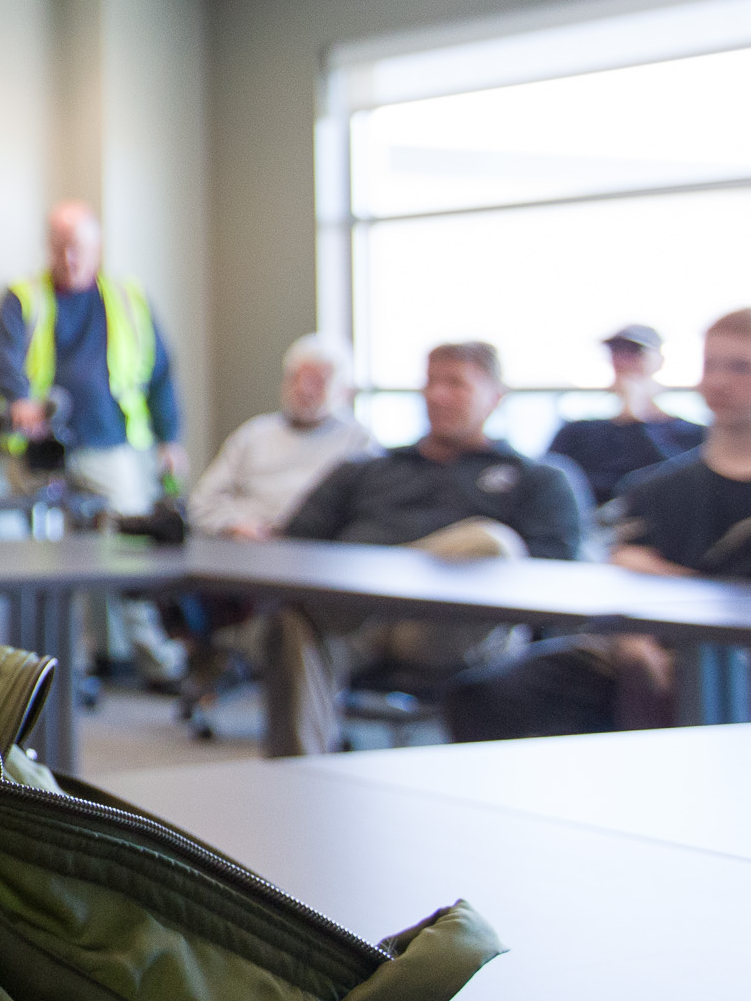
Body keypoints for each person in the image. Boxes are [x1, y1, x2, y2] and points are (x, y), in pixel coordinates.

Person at [257, 341, 585, 757]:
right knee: (292, 620)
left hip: (451, 628)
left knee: (490, 542)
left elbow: (552, 579)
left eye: (456, 384)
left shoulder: (538, 479)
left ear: (495, 397)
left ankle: (368, 590)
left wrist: (380, 575)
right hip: (353, 627)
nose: (437, 396)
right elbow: (293, 547)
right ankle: (295, 779)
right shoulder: (365, 469)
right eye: (430, 383)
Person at [448, 310, 751, 741]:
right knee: (490, 696)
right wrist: (636, 637)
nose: (719, 381)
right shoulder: (655, 489)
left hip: (729, 659)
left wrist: (668, 578)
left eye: (741, 367)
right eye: (711, 365)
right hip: (643, 645)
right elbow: (624, 574)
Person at [0, 202, 185, 681]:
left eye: (78, 249)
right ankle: (59, 666)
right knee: (42, 562)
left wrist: (170, 437)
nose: (69, 258)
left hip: (109, 443)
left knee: (131, 551)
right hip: (41, 451)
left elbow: (161, 372)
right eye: (59, 248)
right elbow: (2, 358)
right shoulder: (23, 297)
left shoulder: (128, 298)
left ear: (96, 249)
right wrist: (19, 400)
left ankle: (154, 659)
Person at [188, 334, 378, 539]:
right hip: (251, 545)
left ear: (342, 391)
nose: (304, 389)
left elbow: (370, 512)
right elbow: (202, 501)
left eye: (317, 382)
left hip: (321, 549)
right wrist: (234, 524)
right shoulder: (253, 434)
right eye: (296, 378)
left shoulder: (358, 441)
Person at [548, 323, 706, 505]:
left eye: (635, 353)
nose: (623, 361)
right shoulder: (577, 432)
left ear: (659, 361)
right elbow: (554, 485)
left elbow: (683, 485)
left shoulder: (692, 433)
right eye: (616, 353)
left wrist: (635, 421)